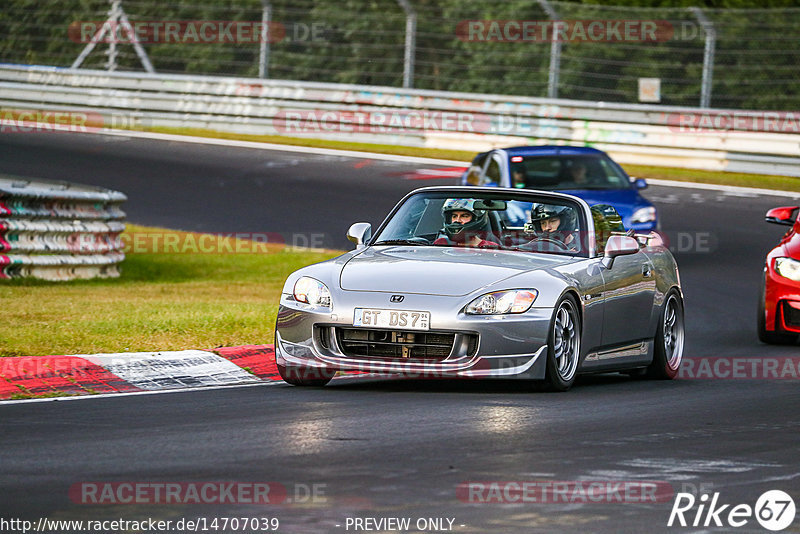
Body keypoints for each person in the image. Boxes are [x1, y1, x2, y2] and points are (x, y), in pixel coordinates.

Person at [433, 199, 499, 248]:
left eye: (464, 216)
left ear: (476, 219)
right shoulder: (441, 243)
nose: (457, 220)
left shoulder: (490, 248)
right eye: (454, 216)